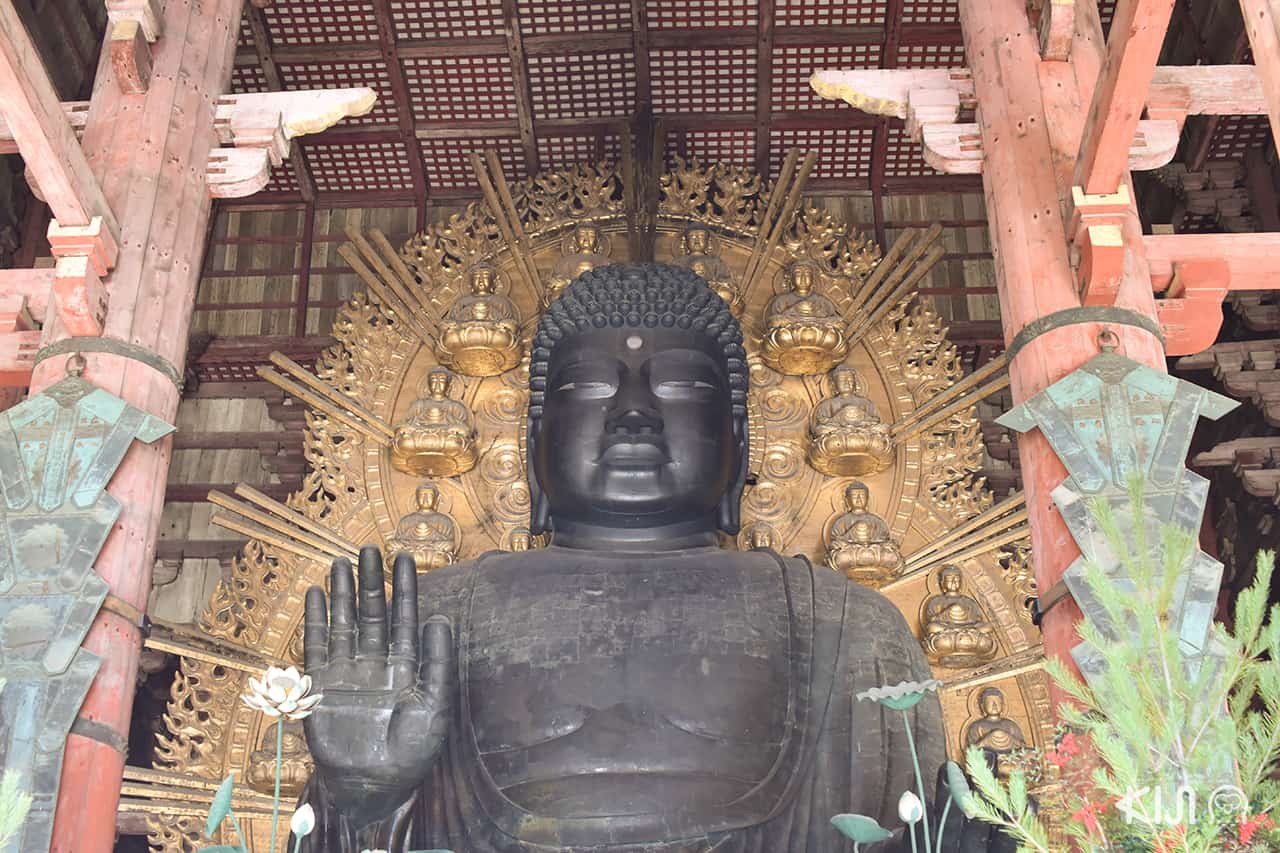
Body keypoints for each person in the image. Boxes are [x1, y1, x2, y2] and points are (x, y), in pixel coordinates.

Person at [295, 264, 989, 852]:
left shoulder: (850, 627)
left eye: (683, 386)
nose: (634, 413)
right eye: (588, 387)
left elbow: (915, 830)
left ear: (740, 441)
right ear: (534, 444)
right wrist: (360, 799)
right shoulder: (430, 624)